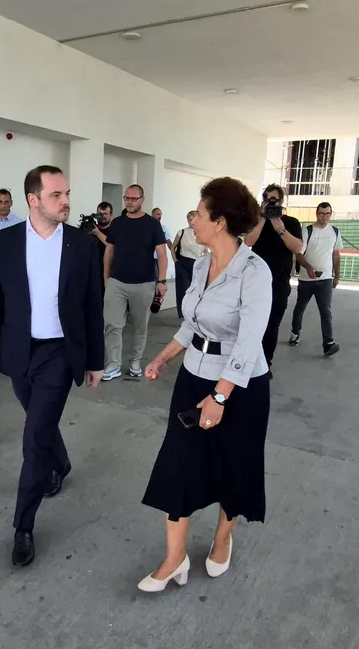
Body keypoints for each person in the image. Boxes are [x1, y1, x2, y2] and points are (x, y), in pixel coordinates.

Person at [139, 177, 272, 593]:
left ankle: (222, 539)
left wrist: (219, 396)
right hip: (193, 375)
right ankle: (174, 558)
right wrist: (163, 357)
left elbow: (248, 342)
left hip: (240, 386)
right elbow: (191, 324)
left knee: (234, 465)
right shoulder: (199, 264)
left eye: (198, 213)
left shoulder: (255, 272)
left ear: (220, 222)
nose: (192, 220)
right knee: (178, 463)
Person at [0, 165, 104, 567]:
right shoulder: (6, 241)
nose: (66, 202)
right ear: (33, 200)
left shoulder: (82, 245)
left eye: (67, 193)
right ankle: (61, 463)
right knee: (40, 421)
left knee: (34, 439)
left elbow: (92, 306)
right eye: (56, 195)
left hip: (59, 355)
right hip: (18, 352)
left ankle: (23, 526)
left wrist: (95, 360)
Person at [102, 185, 168, 380]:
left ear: (142, 200)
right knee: (112, 325)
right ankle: (113, 364)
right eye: (127, 198)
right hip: (117, 282)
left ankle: (135, 362)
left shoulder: (152, 224)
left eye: (133, 199)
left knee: (140, 326)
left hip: (144, 284)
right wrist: (106, 278)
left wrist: (162, 281)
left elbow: (162, 254)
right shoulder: (117, 223)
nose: (129, 202)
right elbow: (109, 250)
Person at [243, 184, 303, 378]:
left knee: (271, 325)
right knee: (251, 324)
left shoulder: (291, 222)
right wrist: (262, 218)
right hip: (255, 282)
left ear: (281, 201)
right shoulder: (257, 221)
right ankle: (249, 362)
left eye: (274, 199)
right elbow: (248, 242)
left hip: (278, 283)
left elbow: (298, 248)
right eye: (267, 199)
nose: (270, 203)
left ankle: (264, 365)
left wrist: (281, 230)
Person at [288, 202, 342, 356]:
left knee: (325, 310)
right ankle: (295, 333)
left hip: (325, 279)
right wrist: (308, 268)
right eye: (321, 213)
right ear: (316, 214)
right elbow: (299, 253)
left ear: (331, 214)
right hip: (306, 280)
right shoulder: (308, 231)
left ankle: (328, 343)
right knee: (300, 307)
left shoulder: (335, 232)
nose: (324, 216)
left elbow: (336, 255)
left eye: (327, 213)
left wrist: (337, 276)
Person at [172, 211, 207, 319]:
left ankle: (194, 313)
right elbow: (173, 247)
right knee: (183, 289)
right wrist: (175, 261)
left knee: (197, 290)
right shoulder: (182, 232)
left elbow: (205, 250)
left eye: (195, 219)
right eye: (191, 219)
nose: (193, 222)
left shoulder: (203, 233)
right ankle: (183, 314)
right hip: (183, 263)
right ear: (187, 220)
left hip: (198, 263)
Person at [89, 202, 113, 293]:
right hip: (92, 272)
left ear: (111, 215)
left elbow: (112, 245)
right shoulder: (90, 228)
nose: (102, 216)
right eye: (100, 214)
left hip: (108, 273)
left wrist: (97, 233)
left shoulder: (115, 230)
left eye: (105, 214)